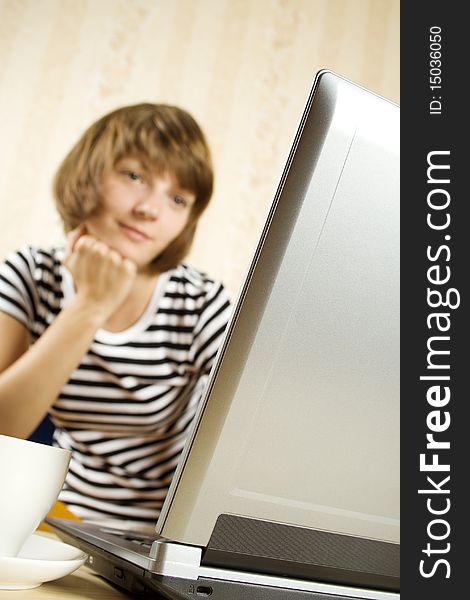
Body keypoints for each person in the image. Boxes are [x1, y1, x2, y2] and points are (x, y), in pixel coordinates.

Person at [0, 103, 232, 530]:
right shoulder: (30, 275)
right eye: (134, 176)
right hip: (57, 521)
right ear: (88, 173)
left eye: (178, 198)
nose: (150, 209)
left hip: (161, 537)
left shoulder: (201, 303)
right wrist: (90, 305)